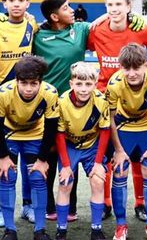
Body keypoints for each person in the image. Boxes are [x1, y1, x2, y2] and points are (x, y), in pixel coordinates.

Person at [87, 0, 147, 221]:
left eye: (119, 5)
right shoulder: (95, 30)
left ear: (128, 7)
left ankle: (141, 203)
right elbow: (78, 36)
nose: (114, 9)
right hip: (105, 100)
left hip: (136, 100)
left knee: (138, 155)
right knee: (106, 154)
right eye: (110, 5)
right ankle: (105, 203)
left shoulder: (142, 29)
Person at [0, 0, 38, 227]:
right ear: (4, 3)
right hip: (0, 97)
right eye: (11, 0)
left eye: (20, 0)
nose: (16, 4)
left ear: (27, 3)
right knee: (1, 153)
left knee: (29, 152)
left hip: (27, 95)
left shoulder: (32, 24)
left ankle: (27, 205)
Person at [33, 0, 90, 222]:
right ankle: (48, 207)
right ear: (54, 16)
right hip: (46, 106)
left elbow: (106, 21)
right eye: (66, 8)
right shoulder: (38, 34)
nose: (72, 10)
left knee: (70, 159)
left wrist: (132, 16)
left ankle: (71, 207)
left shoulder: (81, 29)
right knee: (48, 156)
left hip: (72, 106)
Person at [0, 56, 59, 240]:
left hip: (34, 133)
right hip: (8, 133)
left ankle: (40, 230)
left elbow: (51, 128)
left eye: (33, 83)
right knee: (7, 176)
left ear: (41, 82)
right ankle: (9, 230)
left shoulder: (50, 93)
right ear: (16, 80)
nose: (28, 88)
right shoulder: (3, 93)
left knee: (37, 177)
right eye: (24, 83)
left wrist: (42, 159)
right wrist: (3, 157)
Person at [106, 43, 147, 240]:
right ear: (120, 67)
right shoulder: (114, 83)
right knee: (120, 169)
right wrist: (117, 149)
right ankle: (120, 225)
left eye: (136, 68)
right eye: (127, 68)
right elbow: (110, 118)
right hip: (124, 128)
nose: (132, 73)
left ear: (145, 65)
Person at [55, 62, 110, 240]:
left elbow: (105, 131)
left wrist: (98, 163)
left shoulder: (101, 101)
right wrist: (65, 165)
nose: (84, 89)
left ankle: (96, 229)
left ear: (95, 84)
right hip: (69, 146)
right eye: (79, 84)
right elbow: (59, 134)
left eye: (88, 84)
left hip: (92, 147)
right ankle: (61, 230)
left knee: (98, 180)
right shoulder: (62, 102)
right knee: (65, 183)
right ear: (71, 84)